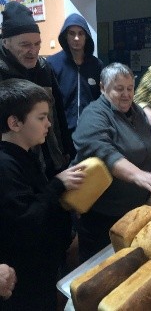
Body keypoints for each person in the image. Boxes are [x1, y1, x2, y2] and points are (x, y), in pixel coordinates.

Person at [0, 79, 86, 310]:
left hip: (43, 271)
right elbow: (27, 219)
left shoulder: (26, 154)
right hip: (25, 280)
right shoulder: (6, 166)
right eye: (41, 117)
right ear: (15, 123)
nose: (49, 124)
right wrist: (57, 186)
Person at [72, 62, 151, 262]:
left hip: (134, 208)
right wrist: (137, 174)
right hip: (104, 213)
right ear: (102, 88)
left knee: (128, 261)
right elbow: (102, 151)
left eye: (130, 88)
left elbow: (147, 145)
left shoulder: (136, 112)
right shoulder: (94, 114)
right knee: (99, 266)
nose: (126, 94)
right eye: (119, 88)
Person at [0, 1, 74, 179]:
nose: (33, 51)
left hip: (52, 157)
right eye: (25, 45)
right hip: (16, 167)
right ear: (6, 42)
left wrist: (68, 150)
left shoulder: (44, 68)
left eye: (37, 43)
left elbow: (57, 113)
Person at [46, 13, 104, 138]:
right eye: (72, 33)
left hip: (91, 131)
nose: (76, 38)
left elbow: (101, 98)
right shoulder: (52, 63)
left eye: (80, 33)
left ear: (86, 36)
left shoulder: (96, 65)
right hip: (62, 132)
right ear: (65, 36)